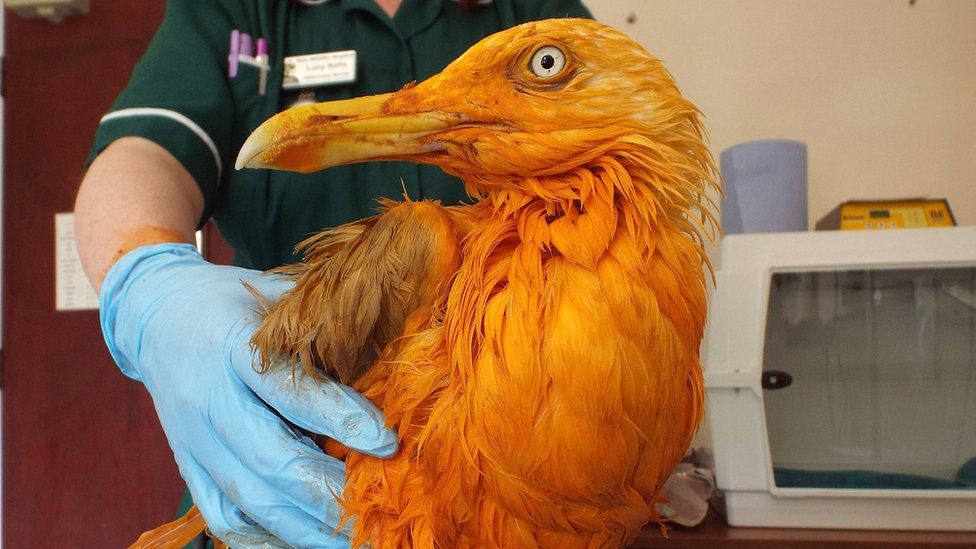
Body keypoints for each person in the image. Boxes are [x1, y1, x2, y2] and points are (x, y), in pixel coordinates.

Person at [75, 0, 592, 547]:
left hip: (521, 471)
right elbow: (144, 152)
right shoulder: (239, 10)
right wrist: (150, 286)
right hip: (279, 456)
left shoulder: (532, 9)